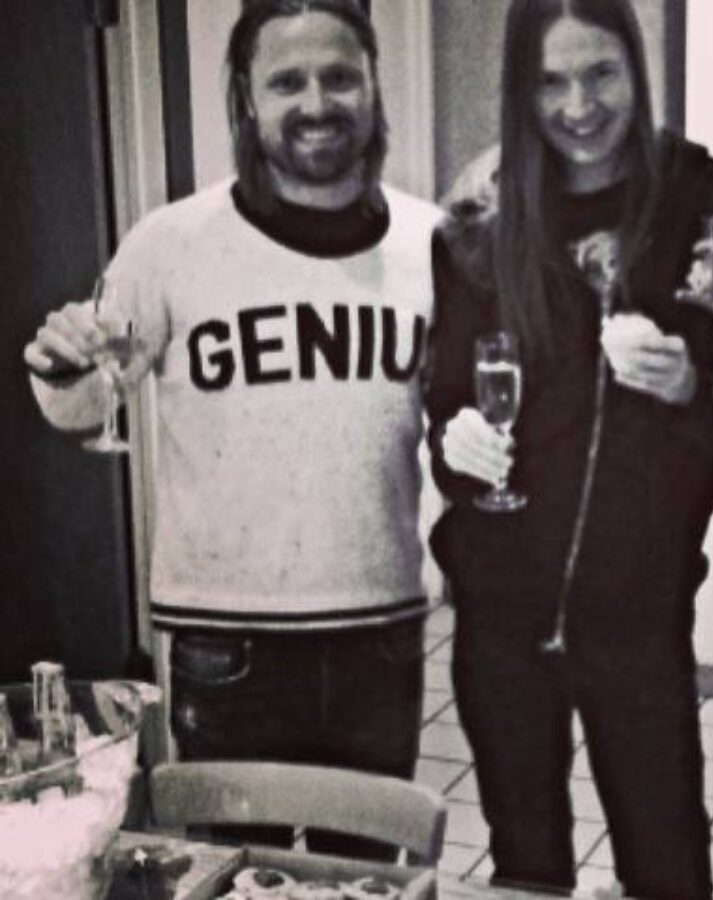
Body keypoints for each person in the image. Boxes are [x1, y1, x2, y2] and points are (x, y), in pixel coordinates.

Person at [23, 0, 441, 861]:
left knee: (365, 877)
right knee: (232, 873)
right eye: (287, 82)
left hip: (380, 633)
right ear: (247, 98)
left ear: (373, 85)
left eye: (339, 76)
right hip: (226, 641)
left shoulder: (433, 244)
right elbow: (81, 403)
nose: (316, 103)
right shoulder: (169, 243)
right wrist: (60, 361)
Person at [425, 0, 713, 895]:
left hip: (640, 619)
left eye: (600, 74)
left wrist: (694, 384)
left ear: (637, 65)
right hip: (500, 620)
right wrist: (454, 445)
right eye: (549, 81)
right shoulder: (480, 219)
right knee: (526, 870)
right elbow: (447, 405)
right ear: (521, 89)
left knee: (667, 870)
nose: (578, 106)